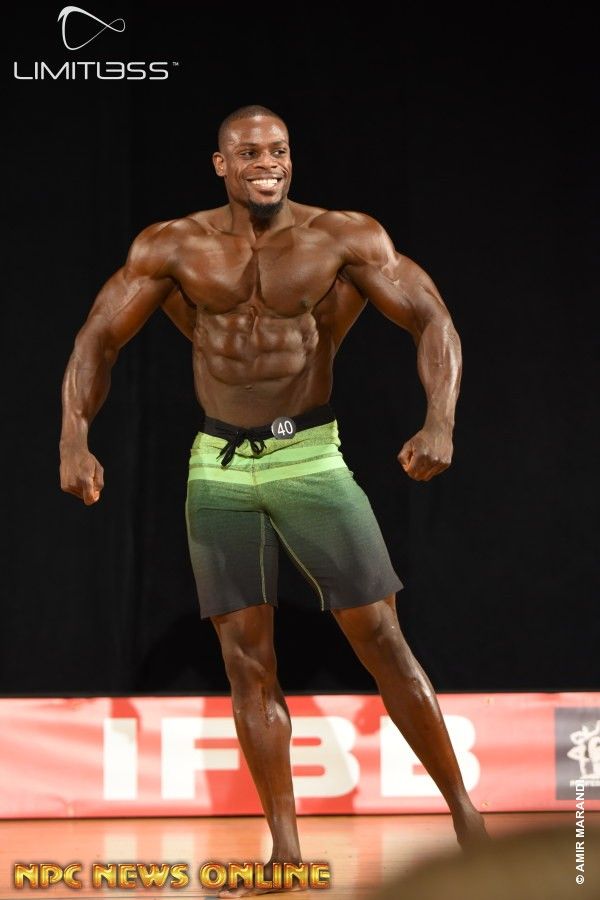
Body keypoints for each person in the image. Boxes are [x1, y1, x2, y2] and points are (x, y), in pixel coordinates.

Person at [60, 104, 488, 897]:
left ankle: (468, 820)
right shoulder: (173, 245)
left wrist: (441, 419)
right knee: (247, 663)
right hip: (218, 466)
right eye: (251, 152)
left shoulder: (342, 237)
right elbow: (99, 335)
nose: (268, 164)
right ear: (220, 163)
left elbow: (431, 315)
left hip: (308, 454)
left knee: (381, 639)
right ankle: (285, 853)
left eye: (279, 151)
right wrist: (73, 437)